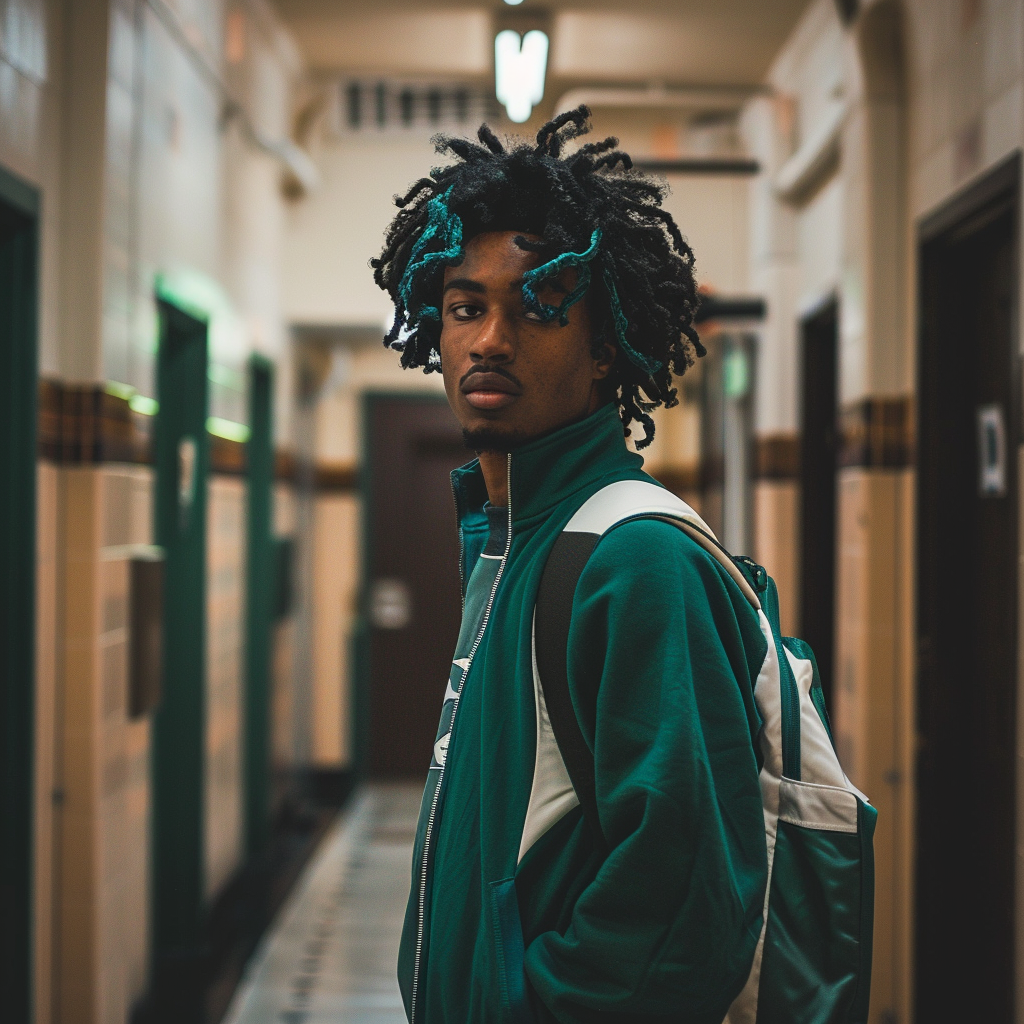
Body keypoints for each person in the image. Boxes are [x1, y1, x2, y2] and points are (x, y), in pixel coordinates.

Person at [372, 106, 769, 1024]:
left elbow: (685, 908)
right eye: (466, 307)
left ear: (603, 352)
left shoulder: (635, 559)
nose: (490, 339)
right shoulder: (509, 540)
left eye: (536, 308)